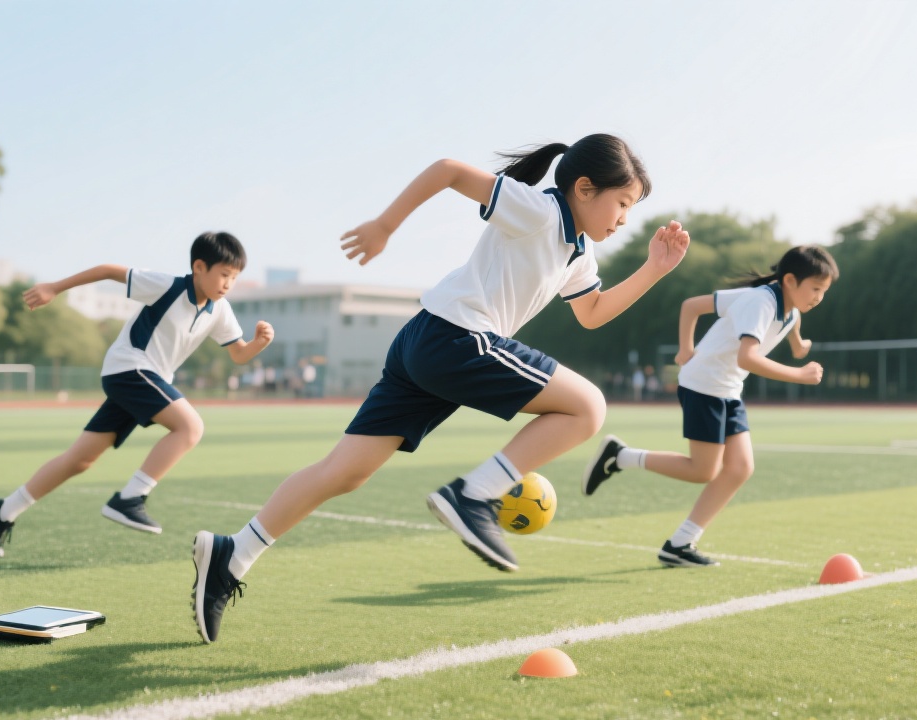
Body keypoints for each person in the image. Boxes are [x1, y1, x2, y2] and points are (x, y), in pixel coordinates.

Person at [190, 134, 691, 643]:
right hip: (456, 338)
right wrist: (385, 226)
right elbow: (449, 170)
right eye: (622, 203)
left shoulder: (578, 252)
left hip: (426, 342)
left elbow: (593, 313)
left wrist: (655, 269)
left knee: (344, 472)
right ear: (584, 189)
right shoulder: (538, 210)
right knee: (588, 407)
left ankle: (234, 553)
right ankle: (473, 494)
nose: (624, 218)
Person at [0, 232, 275, 558]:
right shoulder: (167, 286)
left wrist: (258, 343)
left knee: (80, 459)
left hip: (144, 380)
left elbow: (238, 354)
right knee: (190, 427)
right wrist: (54, 288)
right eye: (224, 274)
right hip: (129, 368)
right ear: (199, 267)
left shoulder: (220, 310)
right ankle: (131, 498)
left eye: (234, 277)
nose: (228, 284)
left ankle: (1, 511)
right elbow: (107, 270)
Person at [581, 245, 839, 567]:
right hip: (704, 386)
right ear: (789, 280)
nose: (819, 297)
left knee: (740, 468)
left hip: (727, 389)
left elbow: (693, 306)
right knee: (703, 471)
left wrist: (798, 344)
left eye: (823, 291)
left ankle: (680, 544)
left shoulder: (787, 307)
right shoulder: (760, 302)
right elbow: (747, 357)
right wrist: (798, 374)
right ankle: (620, 456)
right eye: (815, 289)